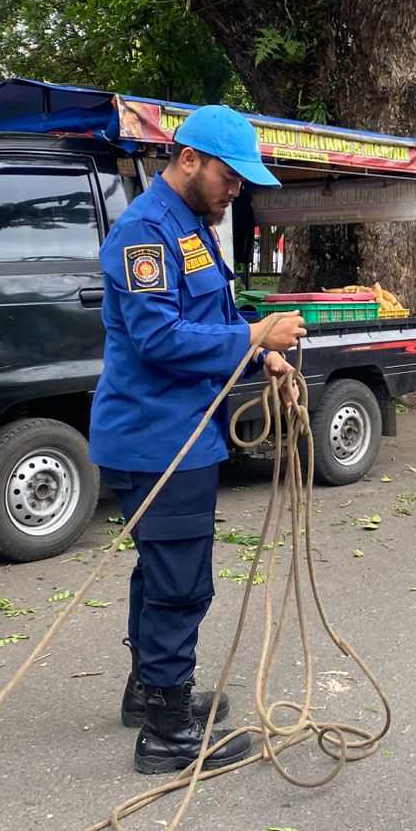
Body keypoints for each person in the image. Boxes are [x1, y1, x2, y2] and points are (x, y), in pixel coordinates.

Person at [87, 105, 304, 775]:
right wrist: (256, 337)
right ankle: (168, 733)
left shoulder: (192, 226)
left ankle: (149, 693)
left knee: (158, 572)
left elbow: (209, 312)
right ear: (188, 160)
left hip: (179, 431)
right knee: (180, 585)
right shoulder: (146, 232)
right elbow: (157, 338)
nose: (237, 189)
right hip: (156, 437)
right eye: (229, 177)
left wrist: (256, 350)